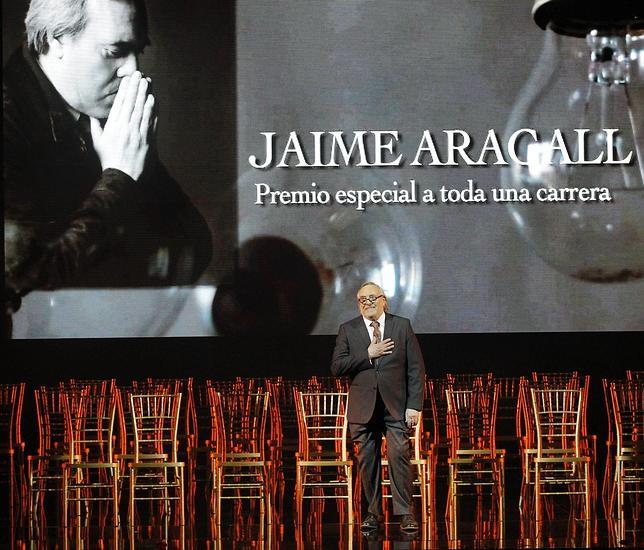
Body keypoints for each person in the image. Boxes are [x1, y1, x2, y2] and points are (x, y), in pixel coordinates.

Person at [3, 0, 212, 334]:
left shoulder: (90, 110)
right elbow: (31, 282)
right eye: (115, 51)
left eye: (137, 50)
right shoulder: (10, 121)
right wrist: (119, 178)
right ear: (57, 40)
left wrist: (141, 163)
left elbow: (195, 244)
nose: (133, 69)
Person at [331, 282, 425, 532]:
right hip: (363, 408)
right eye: (363, 299)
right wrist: (368, 353)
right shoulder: (348, 329)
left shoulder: (401, 325)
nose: (368, 302)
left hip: (395, 406)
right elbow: (337, 367)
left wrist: (414, 405)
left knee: (399, 457)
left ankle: (405, 513)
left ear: (384, 300)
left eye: (373, 297)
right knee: (367, 462)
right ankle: (373, 514)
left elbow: (415, 368)